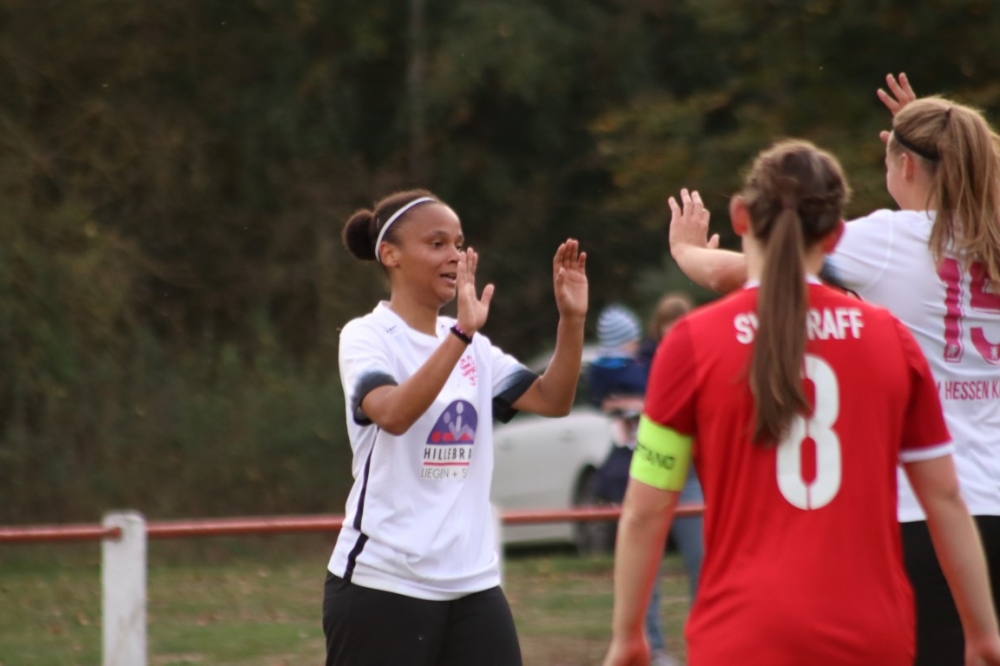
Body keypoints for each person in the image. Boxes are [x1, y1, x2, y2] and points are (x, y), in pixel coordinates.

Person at [603, 140, 1000, 666]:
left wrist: (629, 634)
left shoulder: (691, 343)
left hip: (741, 634)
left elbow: (645, 509)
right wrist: (983, 632)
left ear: (741, 216)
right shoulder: (890, 339)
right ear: (834, 235)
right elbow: (945, 498)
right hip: (872, 633)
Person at [324, 189, 588, 666]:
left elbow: (554, 400)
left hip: (473, 585)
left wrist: (571, 319)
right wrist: (462, 335)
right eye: (437, 243)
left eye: (459, 244)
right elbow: (393, 414)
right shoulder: (367, 335)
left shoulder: (472, 345)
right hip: (384, 582)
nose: (455, 255)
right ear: (391, 255)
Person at [587, 304, 700, 666]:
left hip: (689, 468)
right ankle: (651, 647)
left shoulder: (676, 358)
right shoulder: (637, 365)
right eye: (669, 325)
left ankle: (703, 643)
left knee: (701, 557)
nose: (675, 332)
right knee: (645, 562)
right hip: (647, 464)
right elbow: (607, 398)